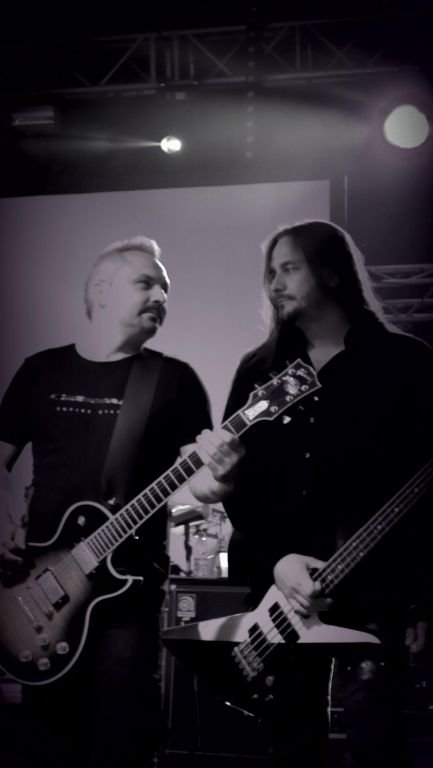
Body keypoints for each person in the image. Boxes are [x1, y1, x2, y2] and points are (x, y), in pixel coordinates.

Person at [190, 220, 433, 767]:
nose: (274, 284)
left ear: (331, 272)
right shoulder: (261, 370)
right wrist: (277, 560)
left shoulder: (407, 363)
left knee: (376, 742)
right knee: (291, 745)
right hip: (281, 598)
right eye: (271, 272)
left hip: (378, 594)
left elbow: (426, 505)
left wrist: (423, 600)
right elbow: (239, 488)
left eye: (290, 269)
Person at [0, 235, 239, 768]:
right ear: (101, 290)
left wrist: (222, 475)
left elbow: (202, 488)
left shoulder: (174, 380)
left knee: (121, 740)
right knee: (44, 741)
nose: (161, 296)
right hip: (35, 591)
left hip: (126, 594)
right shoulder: (40, 370)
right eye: (146, 283)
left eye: (166, 289)